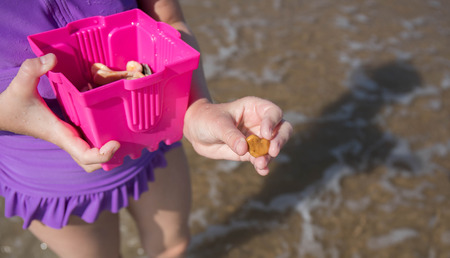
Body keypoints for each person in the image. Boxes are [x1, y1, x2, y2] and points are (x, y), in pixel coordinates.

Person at [0, 0, 292, 257]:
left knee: (173, 247)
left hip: (153, 132)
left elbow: (167, 18)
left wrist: (195, 107)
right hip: (47, 172)